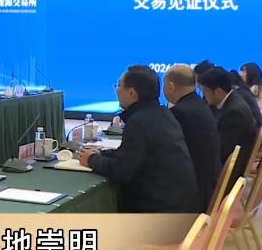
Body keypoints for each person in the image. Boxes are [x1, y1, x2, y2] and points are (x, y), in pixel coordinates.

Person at [78, 65, 200, 213]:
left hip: (158, 211)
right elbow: (132, 155)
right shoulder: (163, 113)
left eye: (119, 85)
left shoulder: (140, 121)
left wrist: (91, 160)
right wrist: (102, 153)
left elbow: (123, 171)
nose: (116, 90)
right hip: (180, 203)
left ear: (132, 93)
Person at [164, 65, 222, 212]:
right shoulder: (200, 105)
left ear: (170, 86)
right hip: (207, 186)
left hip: (192, 196)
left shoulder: (180, 113)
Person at [198, 66, 259, 188]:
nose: (203, 95)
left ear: (218, 91)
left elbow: (221, 150)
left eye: (204, 90)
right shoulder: (232, 101)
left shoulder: (234, 112)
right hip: (230, 165)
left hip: (229, 174)